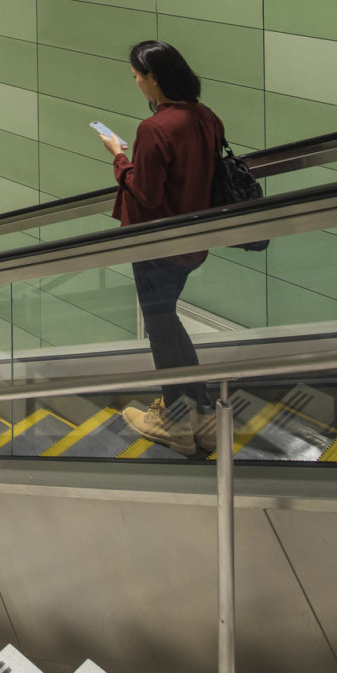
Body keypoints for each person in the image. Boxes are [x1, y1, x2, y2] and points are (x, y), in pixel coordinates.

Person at [100, 40, 223, 456]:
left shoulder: (154, 129)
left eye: (137, 77)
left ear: (154, 79)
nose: (136, 83)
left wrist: (119, 158)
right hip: (194, 239)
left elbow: (147, 193)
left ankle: (176, 423)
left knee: (159, 326)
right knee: (167, 321)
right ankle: (203, 416)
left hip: (157, 244)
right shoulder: (205, 117)